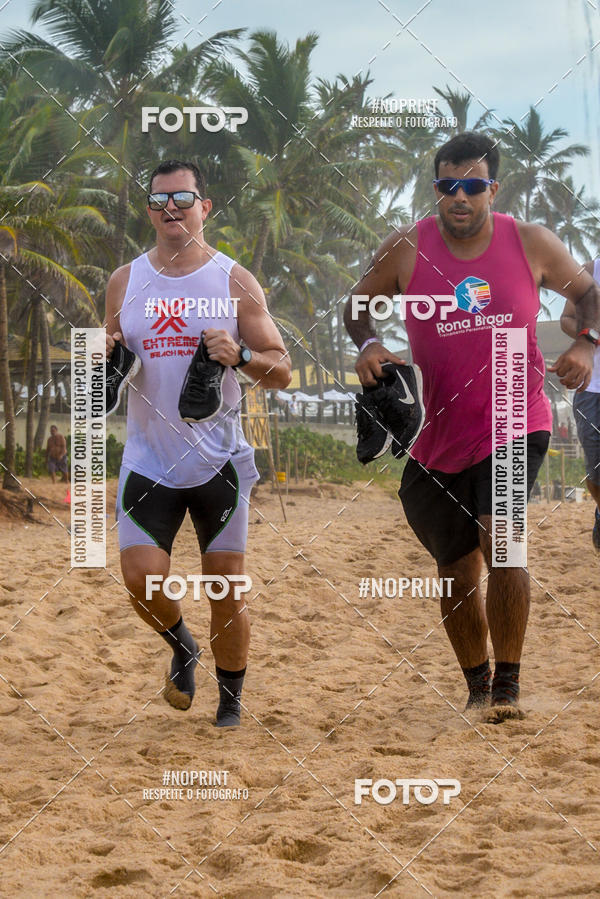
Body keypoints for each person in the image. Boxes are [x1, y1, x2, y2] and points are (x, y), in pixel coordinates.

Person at [344, 131, 600, 721]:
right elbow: (357, 305)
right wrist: (371, 344)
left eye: (473, 186)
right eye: (447, 185)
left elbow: (590, 294)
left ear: (493, 189)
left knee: (501, 539)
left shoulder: (530, 242)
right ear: (435, 188)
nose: (459, 197)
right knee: (456, 570)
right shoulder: (407, 247)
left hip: (516, 412)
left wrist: (586, 344)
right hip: (438, 432)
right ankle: (477, 683)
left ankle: (508, 684)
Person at [104, 159, 291, 725]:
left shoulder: (234, 279)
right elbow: (109, 359)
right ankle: (182, 645)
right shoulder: (124, 281)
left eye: (182, 199)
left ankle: (229, 701)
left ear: (204, 207)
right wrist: (103, 354)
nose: (171, 209)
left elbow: (281, 369)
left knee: (226, 588)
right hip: (148, 459)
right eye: (159, 200)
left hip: (218, 461)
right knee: (140, 578)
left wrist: (242, 355)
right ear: (149, 211)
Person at [560, 259, 600, 548]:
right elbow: (566, 318)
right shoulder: (589, 271)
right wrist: (592, 336)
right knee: (595, 464)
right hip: (592, 386)